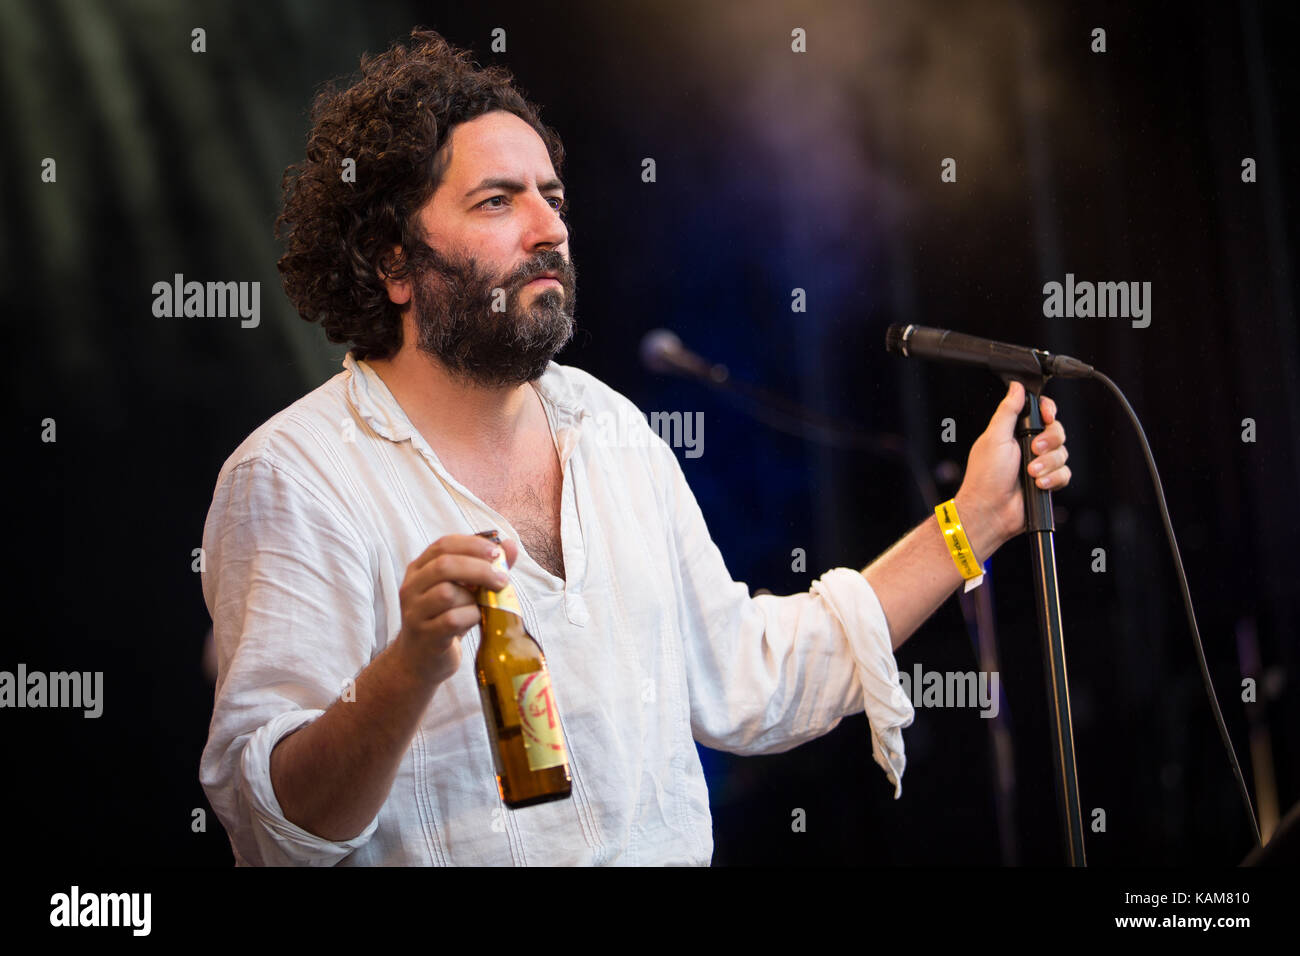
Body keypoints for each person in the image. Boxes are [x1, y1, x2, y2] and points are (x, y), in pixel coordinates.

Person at [198, 28, 1072, 866]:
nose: (549, 229)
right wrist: (408, 668)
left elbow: (749, 676)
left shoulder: (608, 429)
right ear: (392, 264)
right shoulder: (295, 478)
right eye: (497, 200)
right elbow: (276, 833)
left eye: (553, 197)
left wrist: (972, 524)